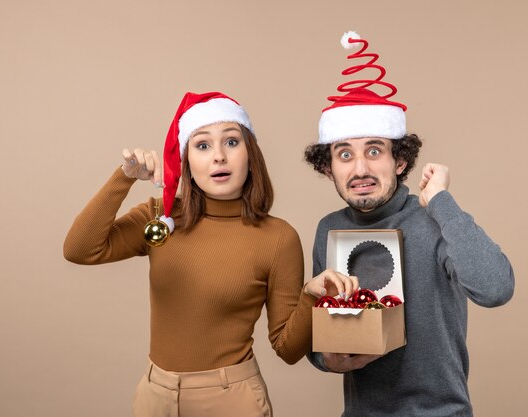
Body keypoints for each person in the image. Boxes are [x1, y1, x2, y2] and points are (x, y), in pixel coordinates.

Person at [64, 91, 356, 417]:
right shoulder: (160, 218)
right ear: (187, 161)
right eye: (202, 145)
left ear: (250, 155)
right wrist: (124, 177)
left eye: (231, 142)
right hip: (153, 398)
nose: (219, 156)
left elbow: (288, 349)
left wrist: (310, 296)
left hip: (231, 400)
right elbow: (80, 250)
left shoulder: (278, 238)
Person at [304, 32, 515, 417]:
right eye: (344, 154)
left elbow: (496, 288)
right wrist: (325, 359)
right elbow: (324, 329)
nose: (360, 169)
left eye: (374, 150)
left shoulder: (435, 218)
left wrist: (441, 201)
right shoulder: (328, 229)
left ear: (400, 161)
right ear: (327, 167)